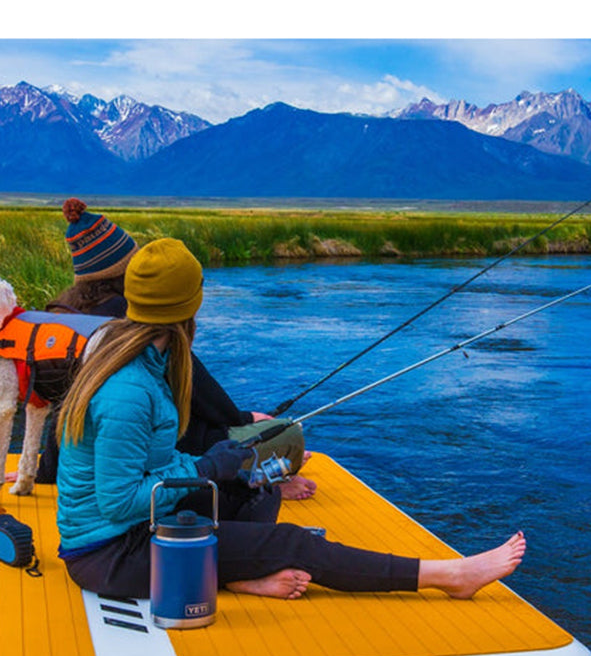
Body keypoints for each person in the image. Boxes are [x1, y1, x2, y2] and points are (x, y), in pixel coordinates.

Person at [55, 237, 526, 601]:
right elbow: (119, 504)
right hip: (110, 553)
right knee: (291, 544)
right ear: (189, 306)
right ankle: (450, 577)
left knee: (255, 492)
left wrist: (223, 467)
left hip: (139, 530)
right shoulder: (129, 390)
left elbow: (150, 463)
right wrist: (205, 468)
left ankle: (235, 575)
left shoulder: (144, 358)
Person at [38, 198, 315, 500]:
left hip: (101, 458)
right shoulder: (137, 321)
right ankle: (265, 482)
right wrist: (247, 419)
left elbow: (62, 406)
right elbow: (204, 395)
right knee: (287, 435)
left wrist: (46, 471)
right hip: (166, 451)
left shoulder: (67, 319)